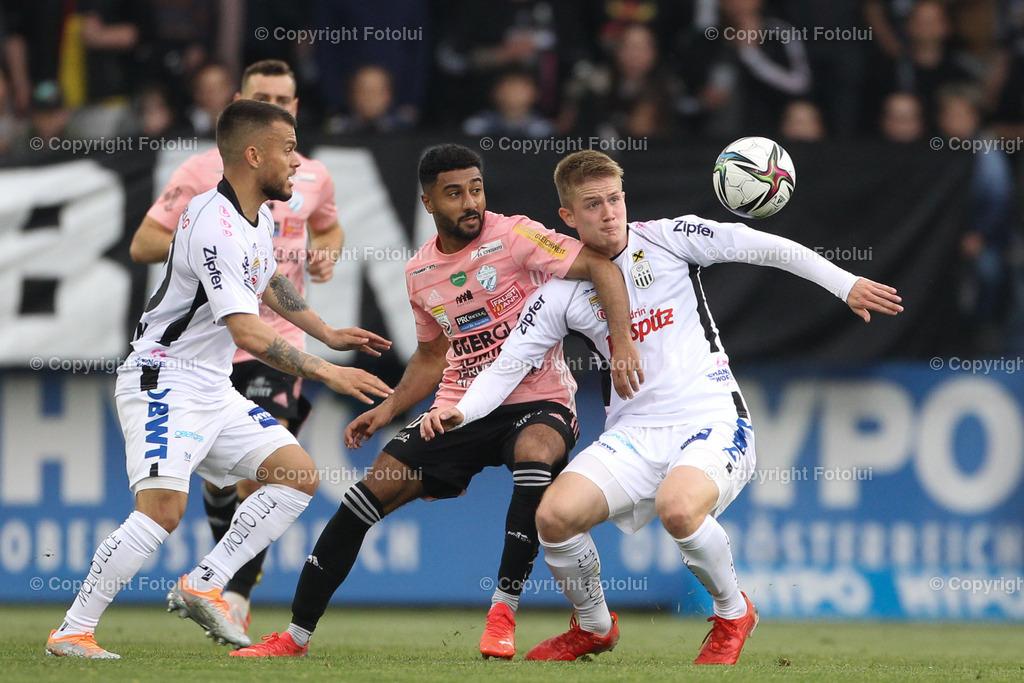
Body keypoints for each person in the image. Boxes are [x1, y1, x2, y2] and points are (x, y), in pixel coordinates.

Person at [421, 150, 903, 664]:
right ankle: (594, 626)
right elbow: (507, 365)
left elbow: (761, 246)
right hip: (634, 433)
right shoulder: (560, 293)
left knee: (679, 508)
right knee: (554, 517)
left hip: (711, 419)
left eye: (614, 199)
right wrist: (460, 412)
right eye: (592, 205)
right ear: (567, 217)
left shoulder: (671, 238)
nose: (608, 213)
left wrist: (845, 284)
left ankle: (733, 612)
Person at [231, 143, 642, 659]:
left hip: (538, 399)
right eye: (454, 194)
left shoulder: (517, 235)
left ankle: (502, 613)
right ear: (429, 202)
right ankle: (294, 636)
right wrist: (388, 409)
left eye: (476, 189)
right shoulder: (420, 272)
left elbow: (602, 265)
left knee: (536, 459)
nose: (470, 202)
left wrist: (622, 343)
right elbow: (431, 355)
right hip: (456, 407)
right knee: (361, 501)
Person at [44, 99, 393, 659]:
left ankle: (204, 581)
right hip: (163, 379)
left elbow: (270, 278)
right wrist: (331, 372)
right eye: (287, 150)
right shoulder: (216, 225)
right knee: (162, 511)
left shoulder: (255, 215)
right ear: (254, 155)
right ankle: (72, 630)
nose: (296, 162)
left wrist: (326, 332)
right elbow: (250, 334)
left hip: (209, 384)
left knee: (297, 475)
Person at [129, 59, 345, 631]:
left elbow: (325, 226)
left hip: (278, 342)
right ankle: (210, 584)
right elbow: (144, 242)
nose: (277, 104)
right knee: (219, 482)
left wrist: (327, 252)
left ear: (297, 106)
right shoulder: (204, 176)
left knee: (267, 474)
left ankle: (231, 591)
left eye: (286, 97)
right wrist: (206, 248)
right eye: (264, 96)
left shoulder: (307, 176)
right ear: (240, 104)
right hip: (211, 343)